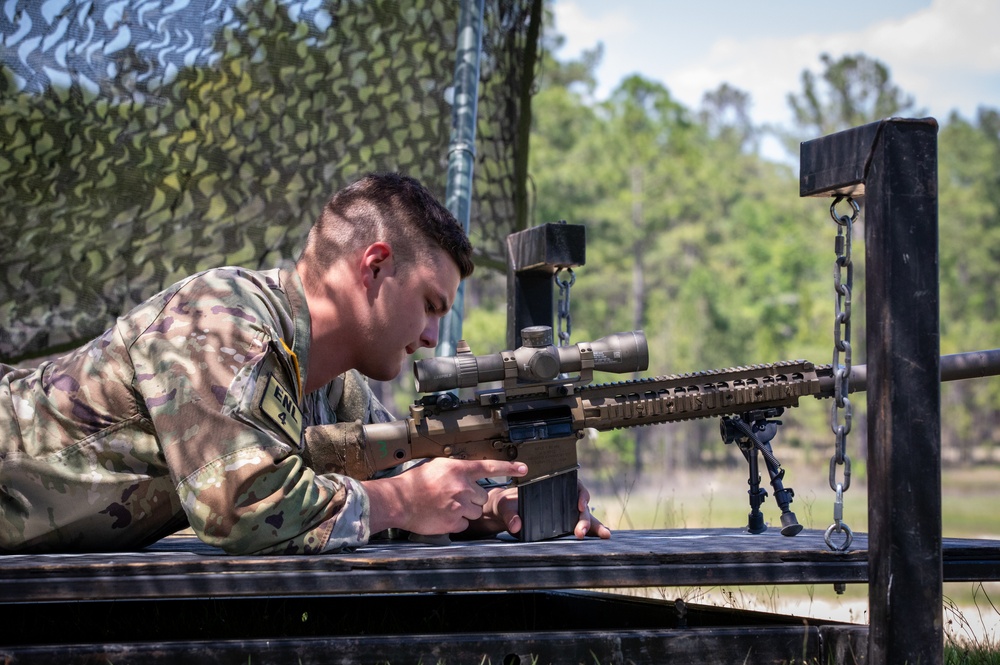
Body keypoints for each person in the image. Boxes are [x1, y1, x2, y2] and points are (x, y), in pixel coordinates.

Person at [0, 173, 610, 554]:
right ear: (374, 266)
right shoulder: (221, 319)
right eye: (430, 305)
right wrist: (402, 502)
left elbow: (391, 488)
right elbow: (245, 509)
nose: (431, 336)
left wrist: (491, 503)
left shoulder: (330, 386)